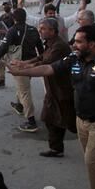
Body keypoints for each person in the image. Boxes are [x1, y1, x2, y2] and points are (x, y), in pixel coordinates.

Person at [7, 25, 95, 189]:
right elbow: (48, 68)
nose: (74, 44)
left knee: (91, 161)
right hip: (82, 120)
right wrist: (22, 72)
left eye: (79, 41)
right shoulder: (74, 58)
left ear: (92, 44)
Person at [9, 18, 76, 157]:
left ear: (52, 30)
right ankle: (56, 149)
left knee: (72, 122)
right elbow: (41, 57)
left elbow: (46, 65)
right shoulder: (50, 44)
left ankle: (89, 140)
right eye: (40, 28)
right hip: (53, 90)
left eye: (43, 29)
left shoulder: (60, 46)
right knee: (49, 119)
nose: (40, 31)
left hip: (62, 90)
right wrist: (24, 63)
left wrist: (22, 70)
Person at [0, 8, 44, 133]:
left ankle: (31, 121)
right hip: (32, 63)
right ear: (25, 17)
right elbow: (40, 49)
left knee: (24, 91)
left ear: (14, 18)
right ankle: (19, 106)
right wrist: (41, 62)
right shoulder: (33, 30)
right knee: (22, 86)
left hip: (19, 64)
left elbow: (3, 47)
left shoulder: (12, 31)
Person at [18, 0, 87, 42]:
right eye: (50, 13)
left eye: (54, 13)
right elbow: (26, 17)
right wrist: (20, 4)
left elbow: (75, 17)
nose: (52, 15)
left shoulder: (62, 21)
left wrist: (83, 5)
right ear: (45, 14)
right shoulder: (41, 22)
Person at [0, 2, 15, 90]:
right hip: (3, 43)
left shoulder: (14, 17)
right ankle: (1, 80)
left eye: (7, 5)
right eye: (4, 6)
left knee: (14, 63)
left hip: (12, 44)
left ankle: (22, 78)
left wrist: (4, 32)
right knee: (1, 62)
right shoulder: (2, 17)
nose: (6, 7)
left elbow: (15, 31)